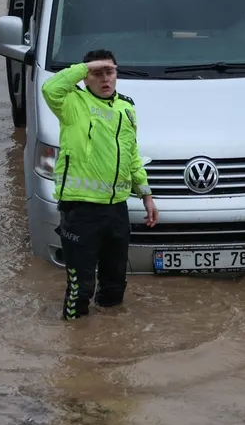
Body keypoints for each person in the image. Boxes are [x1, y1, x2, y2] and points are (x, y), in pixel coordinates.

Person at [42, 50, 158, 320]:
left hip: (117, 209)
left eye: (110, 72)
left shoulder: (126, 108)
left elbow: (131, 155)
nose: (105, 79)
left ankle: (110, 345)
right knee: (80, 288)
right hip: (80, 210)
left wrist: (146, 195)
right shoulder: (72, 103)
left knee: (115, 286)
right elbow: (50, 87)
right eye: (98, 73)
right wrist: (85, 66)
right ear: (86, 76)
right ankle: (76, 345)